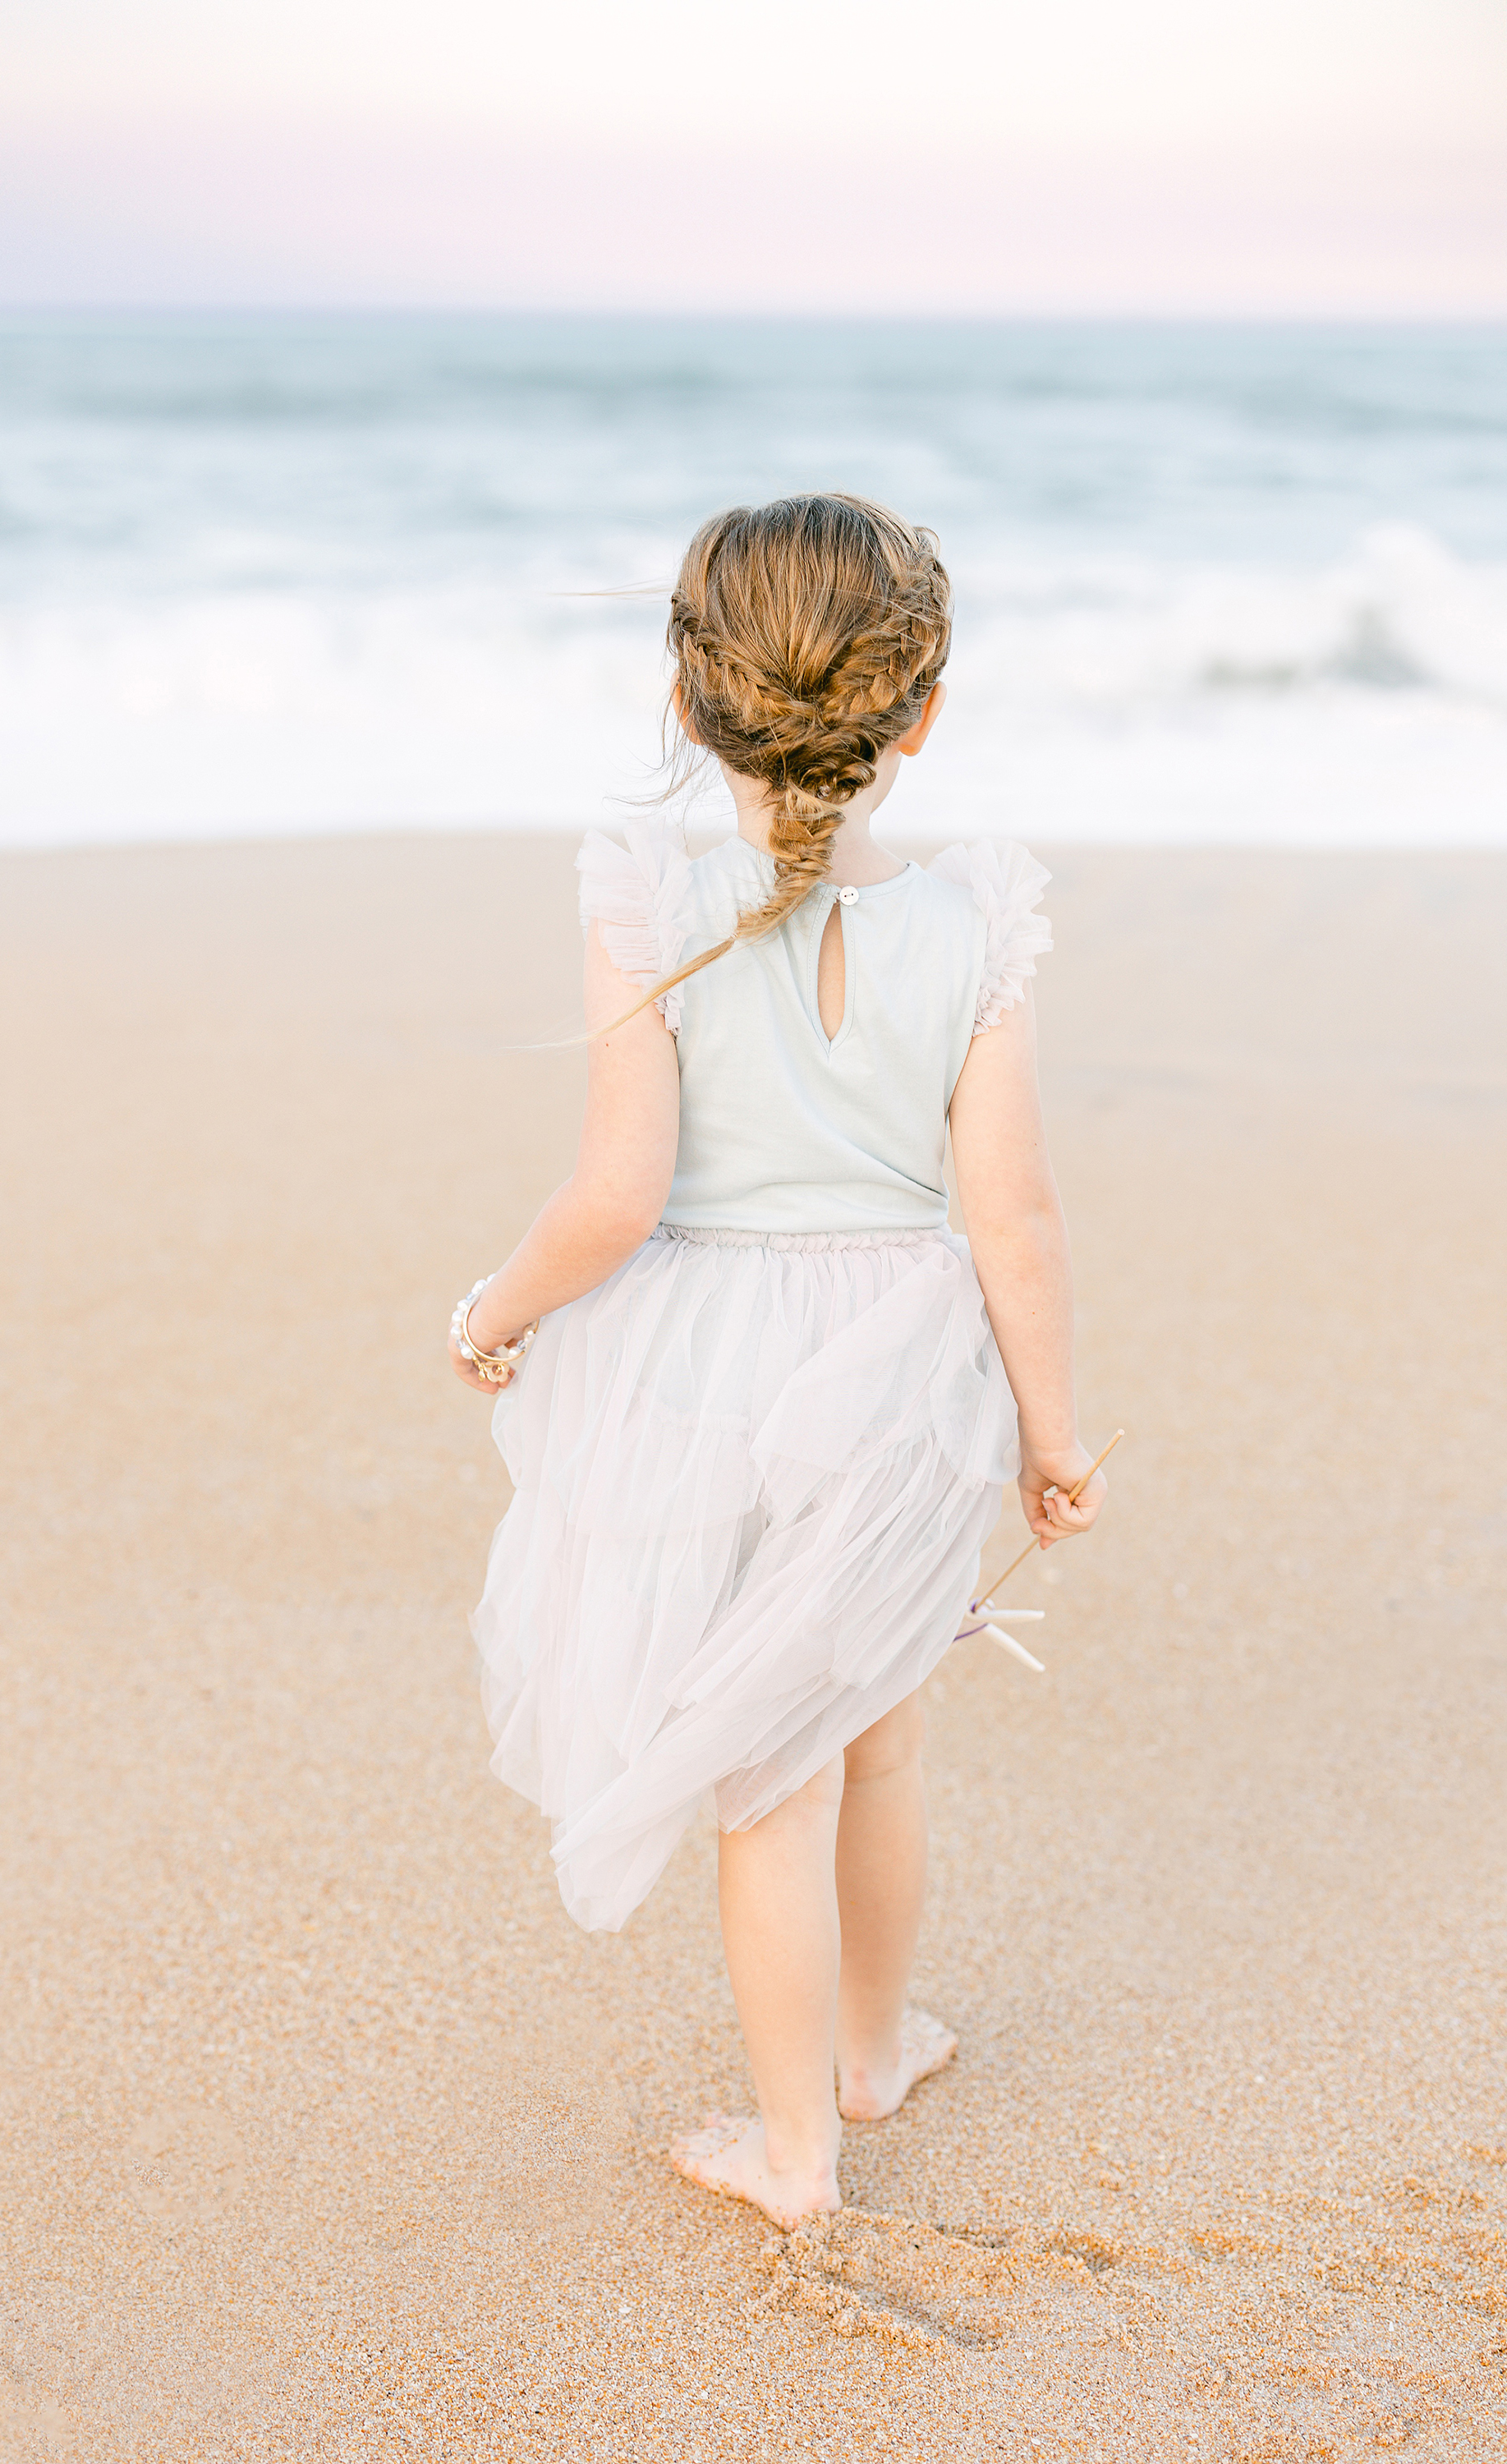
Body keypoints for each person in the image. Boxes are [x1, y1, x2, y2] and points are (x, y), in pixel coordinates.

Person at [448, 493, 1107, 2229]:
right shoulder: (973, 917)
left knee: (769, 1777)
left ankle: (796, 2158)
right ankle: (873, 2053)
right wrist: (1054, 1431)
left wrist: (493, 1311)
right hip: (906, 1373)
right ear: (922, 709)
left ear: (688, 700)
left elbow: (615, 1191)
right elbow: (1015, 1220)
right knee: (874, 1735)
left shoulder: (644, 891)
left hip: (707, 1371)